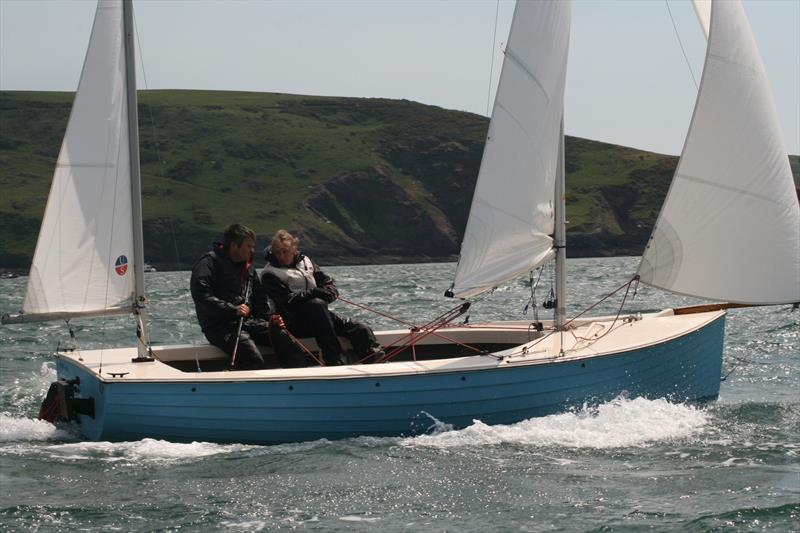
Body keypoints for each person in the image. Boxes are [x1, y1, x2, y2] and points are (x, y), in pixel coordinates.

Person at [190, 223, 305, 370]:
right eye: (248, 246)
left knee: (284, 337)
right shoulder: (208, 263)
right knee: (251, 358)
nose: (252, 250)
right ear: (234, 246)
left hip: (247, 322)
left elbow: (260, 301)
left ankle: (296, 380)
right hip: (220, 327)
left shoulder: (248, 268)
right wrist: (233, 309)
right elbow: (201, 296)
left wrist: (271, 319)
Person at [261, 229, 383, 366]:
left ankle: (377, 362)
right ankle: (334, 360)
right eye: (278, 252)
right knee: (316, 304)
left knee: (359, 329)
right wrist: (314, 293)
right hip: (292, 322)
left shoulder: (306, 262)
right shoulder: (269, 274)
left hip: (320, 317)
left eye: (285, 251)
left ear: (294, 249)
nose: (281, 256)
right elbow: (286, 301)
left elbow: (326, 282)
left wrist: (330, 291)